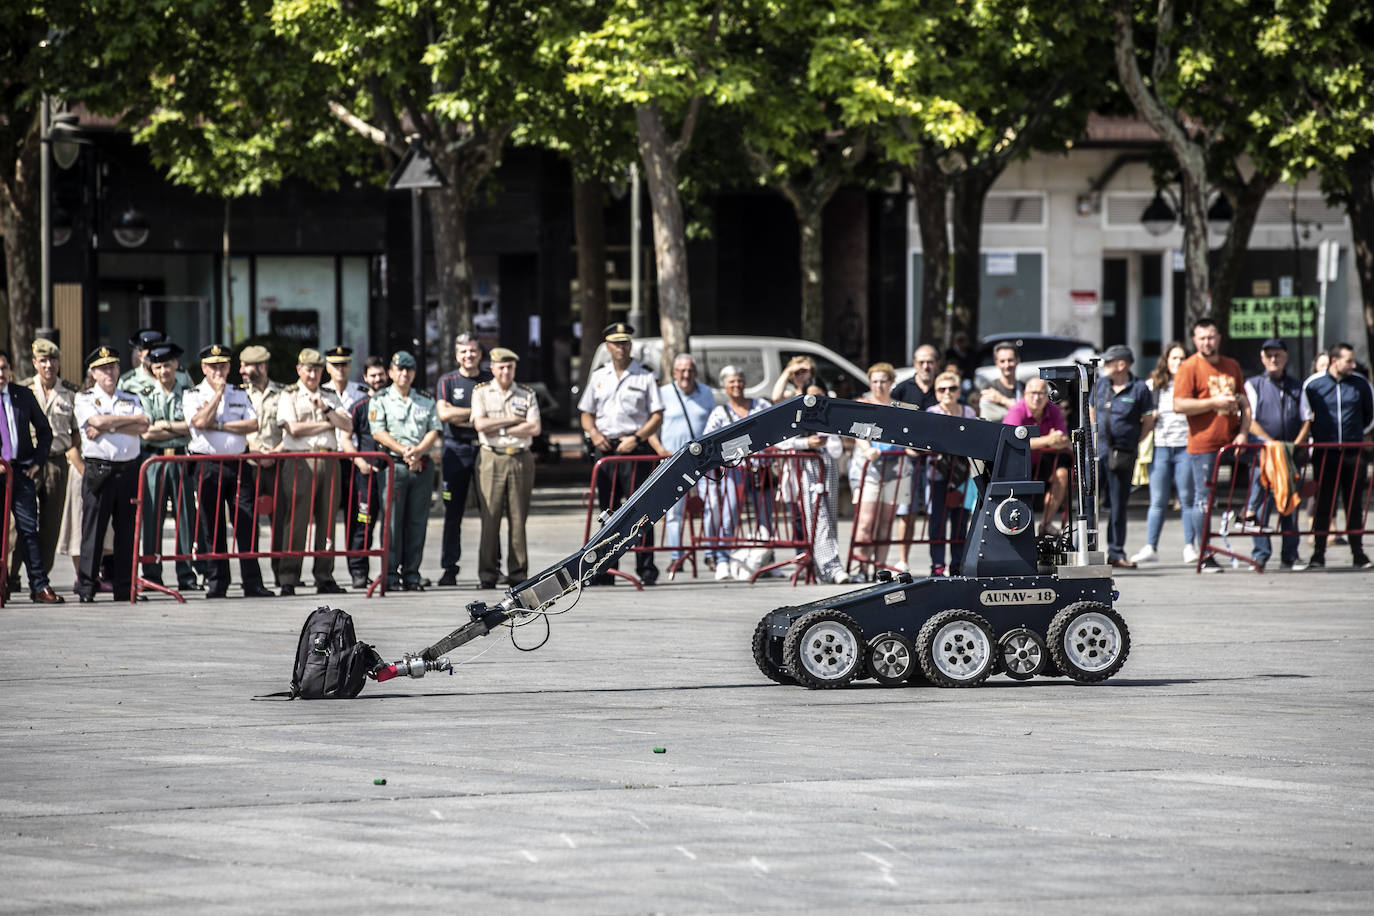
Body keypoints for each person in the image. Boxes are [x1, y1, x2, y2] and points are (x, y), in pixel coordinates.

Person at [184, 343, 275, 599]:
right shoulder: (193, 394)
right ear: (204, 368)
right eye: (213, 367)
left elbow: (253, 423)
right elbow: (200, 422)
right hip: (207, 464)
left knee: (246, 522)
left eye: (222, 366)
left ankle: (252, 581)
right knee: (211, 525)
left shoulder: (238, 392)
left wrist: (220, 424)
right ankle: (217, 581)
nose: (218, 372)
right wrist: (217, 396)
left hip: (237, 463)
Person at [578, 322, 664, 585]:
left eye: (625, 342)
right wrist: (594, 434)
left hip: (634, 448)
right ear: (608, 346)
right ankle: (606, 568)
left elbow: (657, 415)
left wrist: (637, 437)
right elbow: (586, 413)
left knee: (641, 509)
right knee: (608, 510)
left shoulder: (645, 375)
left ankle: (646, 568)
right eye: (616, 343)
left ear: (630, 345)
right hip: (606, 449)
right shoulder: (599, 376)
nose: (621, 347)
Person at [1172, 319, 1251, 572]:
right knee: (1203, 501)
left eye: (1211, 337)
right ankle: (1204, 553)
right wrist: (1213, 402)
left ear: (1218, 337)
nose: (1207, 342)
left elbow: (1244, 403)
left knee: (1263, 475)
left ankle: (1260, 544)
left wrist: (1244, 433)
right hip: (1203, 444)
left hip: (1232, 441)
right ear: (1195, 340)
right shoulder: (1189, 367)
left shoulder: (1232, 366)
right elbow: (1179, 405)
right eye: (1202, 338)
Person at [73, 346, 148, 602]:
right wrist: (121, 423)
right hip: (99, 470)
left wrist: (108, 425)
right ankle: (86, 586)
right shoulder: (84, 398)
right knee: (93, 530)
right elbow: (94, 422)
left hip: (127, 470)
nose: (109, 372)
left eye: (113, 366)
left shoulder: (131, 397)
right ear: (93, 373)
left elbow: (144, 425)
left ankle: (124, 586)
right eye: (103, 368)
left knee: (127, 532)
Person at [275, 348, 352, 595]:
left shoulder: (329, 395)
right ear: (299, 370)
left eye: (317, 369)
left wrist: (328, 411)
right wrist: (327, 423)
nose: (313, 374)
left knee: (328, 520)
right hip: (301, 459)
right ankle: (289, 575)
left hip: (328, 459)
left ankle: (324, 574)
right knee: (297, 520)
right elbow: (293, 429)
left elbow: (347, 425)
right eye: (308, 369)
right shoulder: (289, 394)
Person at [9, 339, 79, 595]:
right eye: (43, 360)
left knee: (51, 524)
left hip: (56, 461)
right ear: (35, 363)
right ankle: (10, 575)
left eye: (53, 360)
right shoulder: (23, 390)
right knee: (17, 525)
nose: (49, 365)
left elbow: (76, 433)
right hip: (26, 463)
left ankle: (40, 580)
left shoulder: (70, 392)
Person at [1297, 342, 1374, 570]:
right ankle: (1318, 553)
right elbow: (1306, 415)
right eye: (1348, 360)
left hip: (1353, 452)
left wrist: (1355, 435)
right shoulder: (1313, 385)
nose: (1353, 365)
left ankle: (1358, 552)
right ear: (1334, 361)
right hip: (1325, 452)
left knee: (1354, 504)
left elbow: (1370, 416)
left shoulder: (1361, 384)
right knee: (1324, 503)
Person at [471, 347, 542, 589]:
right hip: (492, 457)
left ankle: (518, 574)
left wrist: (497, 428)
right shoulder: (481, 392)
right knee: (490, 518)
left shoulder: (526, 393)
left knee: (518, 518)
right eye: (501, 367)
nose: (505, 371)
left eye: (510, 367)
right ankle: (488, 574)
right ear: (492, 368)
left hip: (521, 458)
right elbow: (480, 424)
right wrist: (512, 421)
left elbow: (534, 428)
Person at [370, 351, 440, 590]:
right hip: (394, 465)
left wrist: (419, 451)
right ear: (390, 372)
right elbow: (378, 431)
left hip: (421, 465)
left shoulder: (425, 399)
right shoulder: (380, 398)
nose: (404, 374)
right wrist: (404, 451)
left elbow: (434, 429)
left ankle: (412, 573)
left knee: (417, 522)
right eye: (399, 369)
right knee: (391, 523)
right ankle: (389, 574)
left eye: (409, 369)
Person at [137, 342, 201, 591]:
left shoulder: (188, 393)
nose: (164, 371)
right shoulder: (145, 393)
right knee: (152, 517)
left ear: (176, 365)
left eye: (167, 365)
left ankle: (186, 573)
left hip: (181, 459)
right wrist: (173, 426)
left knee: (186, 517)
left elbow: (190, 428)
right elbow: (146, 432)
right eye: (158, 366)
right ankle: (152, 574)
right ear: (152, 369)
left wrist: (163, 425)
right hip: (154, 461)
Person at [0, 349, 62, 603]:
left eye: (4, 367)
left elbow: (45, 432)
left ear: (11, 370)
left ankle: (39, 585)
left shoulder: (22, 395)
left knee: (28, 529)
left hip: (20, 472)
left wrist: (37, 461)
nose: (0, 373)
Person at [702, 366, 772, 580]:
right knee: (729, 514)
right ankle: (722, 559)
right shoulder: (719, 412)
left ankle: (768, 559)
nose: (736, 385)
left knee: (765, 516)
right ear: (724, 386)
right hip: (735, 472)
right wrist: (743, 446)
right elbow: (709, 441)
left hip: (762, 469)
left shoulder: (760, 405)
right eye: (731, 382)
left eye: (739, 380)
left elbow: (771, 429)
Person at [1132, 342, 1199, 565]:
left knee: (1187, 499)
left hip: (1186, 447)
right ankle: (1151, 547)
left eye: (1182, 358)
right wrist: (1152, 415)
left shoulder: (1194, 384)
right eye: (1174, 358)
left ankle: (1190, 546)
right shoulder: (1153, 385)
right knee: (1158, 500)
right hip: (1160, 447)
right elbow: (1139, 412)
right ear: (1166, 361)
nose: (1178, 362)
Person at [1242, 338, 1304, 571]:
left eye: (1277, 354)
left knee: (1290, 504)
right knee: (1260, 507)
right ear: (1262, 358)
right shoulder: (1253, 384)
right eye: (1268, 355)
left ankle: (1290, 554)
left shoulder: (1298, 386)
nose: (1273, 359)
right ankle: (1260, 554)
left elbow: (1307, 419)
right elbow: (1250, 420)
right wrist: (1272, 445)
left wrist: (1294, 446)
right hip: (1263, 457)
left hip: (1288, 456)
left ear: (1285, 357)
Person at [434, 334, 491, 586]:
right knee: (452, 512)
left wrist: (466, 416)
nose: (468, 355)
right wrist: (479, 414)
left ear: (480, 354)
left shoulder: (490, 379)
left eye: (473, 351)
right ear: (457, 355)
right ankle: (449, 568)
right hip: (455, 451)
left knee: (490, 511)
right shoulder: (447, 381)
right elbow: (444, 413)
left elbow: (499, 412)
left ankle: (492, 566)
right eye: (463, 352)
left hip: (486, 449)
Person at [849, 362, 917, 575]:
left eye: (883, 381)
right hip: (869, 469)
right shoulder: (863, 404)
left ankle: (879, 569)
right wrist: (867, 448)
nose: (879, 386)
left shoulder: (900, 407)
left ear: (891, 382)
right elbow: (857, 433)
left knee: (886, 522)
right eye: (875, 381)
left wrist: (911, 449)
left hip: (895, 470)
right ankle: (861, 567)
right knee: (866, 522)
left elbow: (908, 435)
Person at [1091, 345, 1155, 569]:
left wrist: (1133, 441)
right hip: (1098, 452)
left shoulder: (1139, 388)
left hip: (1123, 454)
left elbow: (1148, 421)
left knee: (1118, 506)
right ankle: (1086, 552)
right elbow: (1091, 411)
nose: (1105, 366)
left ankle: (1116, 552)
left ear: (1122, 364)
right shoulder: (1100, 385)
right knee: (1088, 504)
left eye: (1109, 361)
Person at [658, 354, 716, 573]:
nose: (686, 375)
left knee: (710, 507)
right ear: (674, 373)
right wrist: (659, 450)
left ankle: (710, 554)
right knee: (673, 512)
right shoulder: (663, 393)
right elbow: (652, 425)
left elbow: (714, 425)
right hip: (672, 462)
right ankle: (677, 556)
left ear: (696, 372)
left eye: (690, 370)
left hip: (703, 462)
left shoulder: (707, 393)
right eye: (681, 371)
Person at [925, 370, 979, 576]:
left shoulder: (968, 412)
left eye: (952, 388)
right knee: (937, 520)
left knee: (960, 519)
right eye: (942, 389)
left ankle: (957, 563)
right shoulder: (931, 413)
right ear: (937, 393)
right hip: (937, 473)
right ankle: (937, 564)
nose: (947, 392)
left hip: (963, 474)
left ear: (959, 391)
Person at [238, 344, 285, 582]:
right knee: (249, 521)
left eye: (247, 366)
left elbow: (288, 428)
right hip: (250, 463)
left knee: (280, 521)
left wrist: (276, 452)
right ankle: (252, 575)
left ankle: (281, 573)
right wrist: (254, 449)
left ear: (262, 366)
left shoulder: (283, 392)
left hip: (279, 462)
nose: (242, 370)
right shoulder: (240, 394)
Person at [1004, 377, 1072, 534]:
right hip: (1018, 465)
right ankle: (1018, 528)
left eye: (1041, 393)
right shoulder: (1016, 410)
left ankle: (1045, 525)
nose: (1037, 397)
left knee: (1062, 475)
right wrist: (1048, 440)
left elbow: (1063, 440)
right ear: (1025, 394)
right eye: (1033, 393)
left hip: (1043, 463)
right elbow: (1013, 442)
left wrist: (1042, 442)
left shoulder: (1053, 409)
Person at [346, 357, 390, 588]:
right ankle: (358, 572)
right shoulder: (359, 406)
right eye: (373, 375)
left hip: (391, 473)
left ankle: (391, 572)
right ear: (365, 378)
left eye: (381, 375)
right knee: (363, 524)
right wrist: (359, 461)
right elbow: (345, 437)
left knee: (391, 524)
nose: (377, 379)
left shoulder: (395, 402)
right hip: (366, 475)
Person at [118, 328, 192, 396]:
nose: (156, 358)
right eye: (150, 355)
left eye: (159, 354)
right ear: (140, 356)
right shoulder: (128, 382)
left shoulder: (181, 375)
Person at [977, 342, 1023, 422]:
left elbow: (1028, 414)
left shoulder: (1025, 388)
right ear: (996, 363)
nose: (1007, 365)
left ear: (1018, 360)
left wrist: (1001, 400)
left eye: (1010, 360)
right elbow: (989, 416)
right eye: (1002, 361)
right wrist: (1015, 407)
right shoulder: (988, 387)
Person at [321, 346, 372, 410]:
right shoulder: (321, 392)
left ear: (350, 366)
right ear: (328, 368)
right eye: (336, 365)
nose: (340, 369)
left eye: (344, 364)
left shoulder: (362, 392)